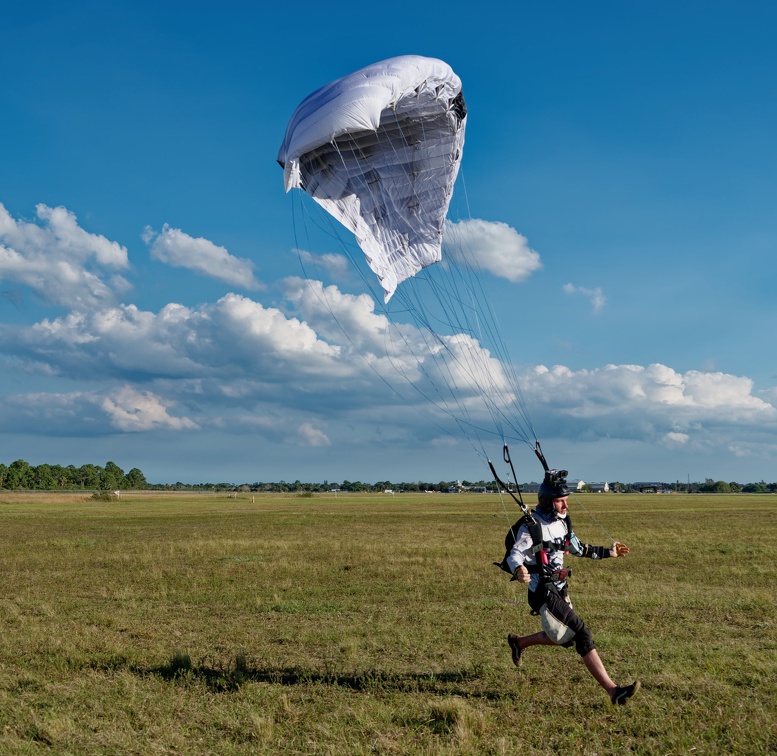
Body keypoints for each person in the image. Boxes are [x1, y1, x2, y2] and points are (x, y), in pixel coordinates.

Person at [505, 469, 640, 705]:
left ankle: (519, 643)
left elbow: (580, 549)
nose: (566, 506)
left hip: (559, 587)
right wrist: (518, 570)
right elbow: (514, 554)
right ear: (548, 502)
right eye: (561, 501)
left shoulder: (563, 523)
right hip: (542, 592)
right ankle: (614, 692)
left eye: (566, 500)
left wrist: (610, 553)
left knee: (565, 639)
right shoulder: (532, 526)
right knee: (582, 634)